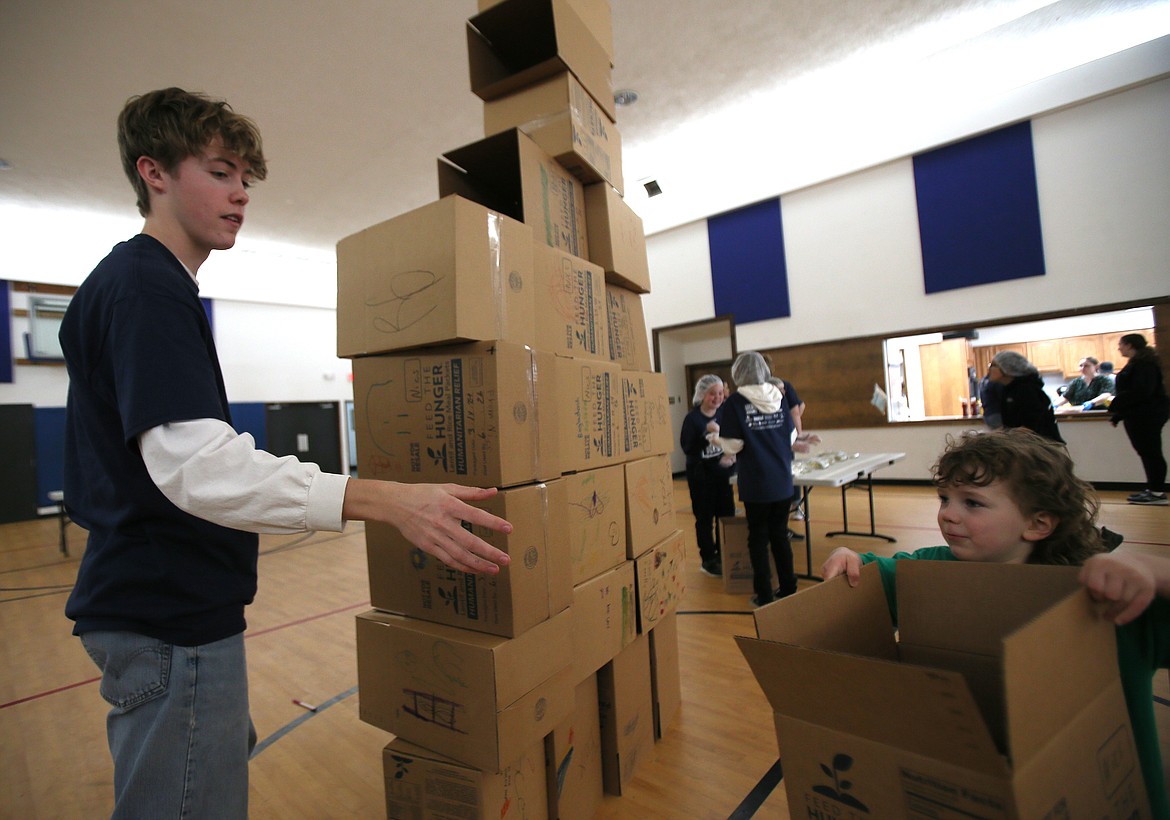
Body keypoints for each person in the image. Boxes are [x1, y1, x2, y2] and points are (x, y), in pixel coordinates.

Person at [59, 88, 513, 819]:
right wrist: (387, 499)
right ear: (154, 172)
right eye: (219, 171)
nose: (241, 193)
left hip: (162, 611)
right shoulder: (146, 285)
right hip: (168, 617)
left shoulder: (141, 286)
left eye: (246, 178)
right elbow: (199, 467)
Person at [821, 429, 1169, 816]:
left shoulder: (1111, 599)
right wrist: (848, 555)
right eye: (944, 498)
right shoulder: (934, 567)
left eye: (972, 503)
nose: (947, 513)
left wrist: (1151, 569)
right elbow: (876, 575)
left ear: (1037, 524)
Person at [709, 352, 817, 606]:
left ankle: (765, 594)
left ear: (738, 374)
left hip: (757, 483)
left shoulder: (735, 402)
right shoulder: (777, 397)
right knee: (780, 535)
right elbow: (790, 436)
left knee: (758, 538)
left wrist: (716, 439)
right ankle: (789, 587)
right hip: (781, 480)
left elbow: (734, 445)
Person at [679, 374, 736, 576]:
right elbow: (688, 448)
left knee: (726, 517)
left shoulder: (723, 415)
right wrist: (706, 436)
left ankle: (725, 554)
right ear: (702, 395)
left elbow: (731, 441)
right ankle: (708, 559)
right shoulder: (693, 419)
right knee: (704, 520)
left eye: (720, 393)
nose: (717, 398)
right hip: (701, 480)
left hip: (723, 477)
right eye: (713, 394)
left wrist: (731, 458)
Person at [1110, 333, 1169, 506]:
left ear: (1129, 345)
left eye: (1121, 344)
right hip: (1141, 415)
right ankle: (1153, 489)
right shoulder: (1140, 363)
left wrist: (1117, 404)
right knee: (1147, 453)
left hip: (1147, 416)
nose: (1119, 348)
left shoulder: (1144, 365)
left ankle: (1157, 492)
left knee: (1151, 453)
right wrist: (1119, 414)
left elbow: (1142, 392)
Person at [988, 350, 1063, 442]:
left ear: (1007, 368)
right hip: (1028, 446)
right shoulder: (1008, 390)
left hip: (1044, 448)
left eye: (993, 365)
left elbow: (1030, 427)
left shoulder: (1028, 390)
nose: (989, 369)